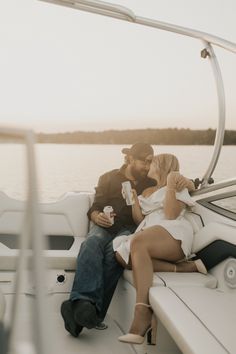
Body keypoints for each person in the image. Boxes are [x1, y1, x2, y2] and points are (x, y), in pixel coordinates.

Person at [60, 142, 156, 337]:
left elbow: (174, 178)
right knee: (91, 244)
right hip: (105, 225)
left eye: (150, 162)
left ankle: (79, 310)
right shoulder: (108, 177)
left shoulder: (151, 181)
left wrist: (188, 183)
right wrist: (97, 217)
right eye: (143, 162)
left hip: (131, 229)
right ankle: (88, 310)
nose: (147, 167)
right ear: (130, 159)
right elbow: (95, 207)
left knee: (114, 254)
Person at [116, 154, 202, 345]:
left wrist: (171, 183)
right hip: (148, 231)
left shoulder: (176, 186)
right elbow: (139, 220)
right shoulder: (146, 190)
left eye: (153, 163)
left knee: (137, 243)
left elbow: (171, 215)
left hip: (173, 232)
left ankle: (142, 313)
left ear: (163, 167)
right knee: (122, 257)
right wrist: (134, 201)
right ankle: (184, 268)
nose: (148, 166)